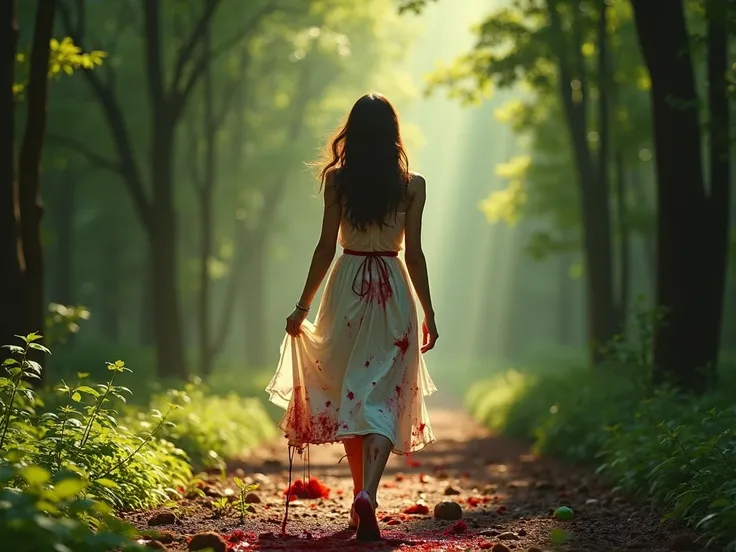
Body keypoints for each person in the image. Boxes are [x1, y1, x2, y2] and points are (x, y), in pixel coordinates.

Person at [265, 92, 439, 541]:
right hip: (394, 288)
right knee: (382, 393)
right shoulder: (413, 184)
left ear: (353, 134)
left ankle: (361, 494)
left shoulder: (338, 182)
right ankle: (368, 495)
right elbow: (415, 255)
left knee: (349, 389)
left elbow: (325, 247)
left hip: (346, 286)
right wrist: (429, 312)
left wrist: (303, 305)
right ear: (393, 135)